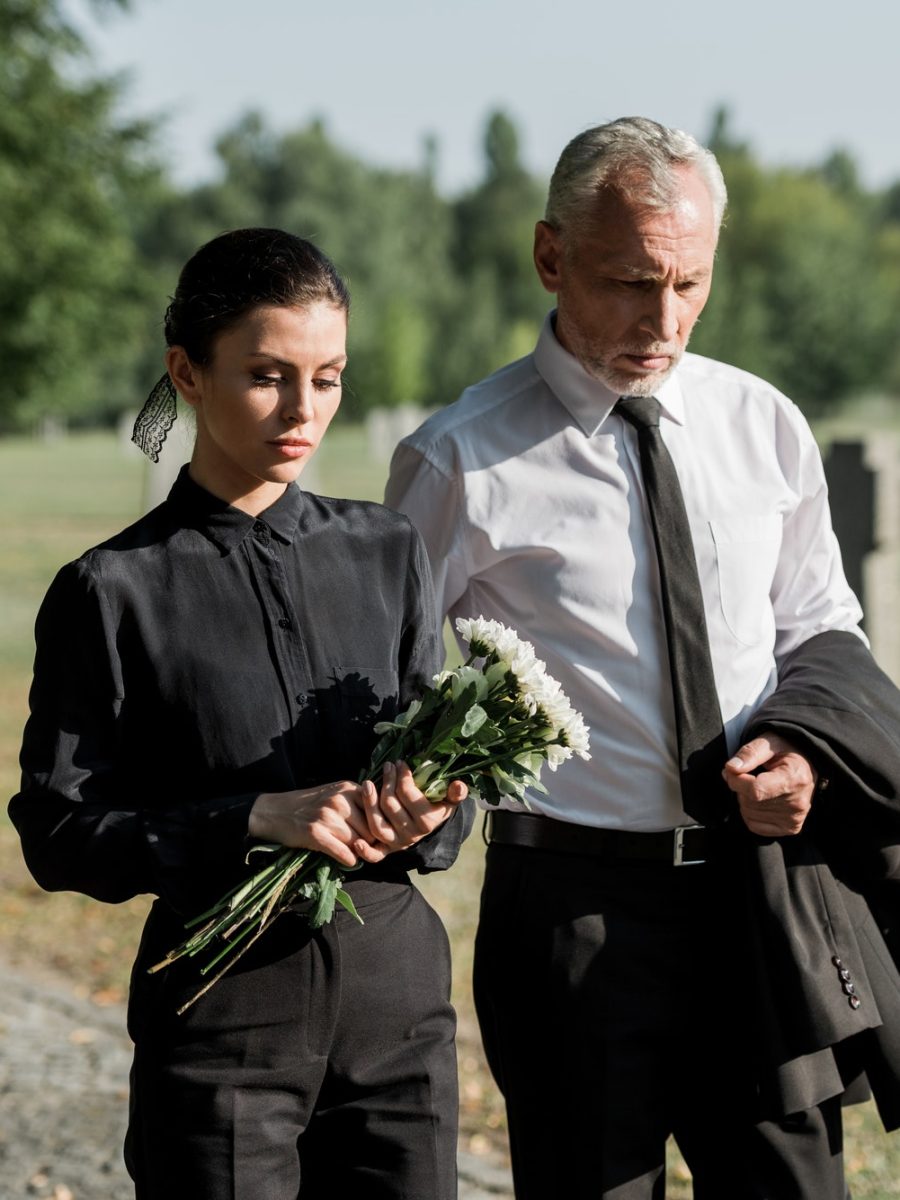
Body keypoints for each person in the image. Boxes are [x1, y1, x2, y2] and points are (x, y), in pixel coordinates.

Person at [385, 117, 900, 1198]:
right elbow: (395, 687)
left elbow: (822, 628)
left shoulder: (762, 423)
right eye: (629, 281)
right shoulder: (458, 457)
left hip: (765, 902)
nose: (661, 320)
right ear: (550, 256)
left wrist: (803, 755)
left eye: (689, 282)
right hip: (573, 916)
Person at [9, 227, 473, 1200]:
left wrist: (433, 811)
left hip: (400, 1018)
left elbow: (447, 795)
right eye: (268, 375)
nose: (305, 410)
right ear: (187, 371)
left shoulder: (389, 552)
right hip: (221, 1031)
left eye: (329, 377)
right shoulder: (110, 590)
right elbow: (58, 836)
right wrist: (250, 819)